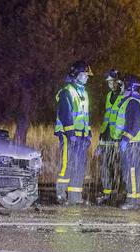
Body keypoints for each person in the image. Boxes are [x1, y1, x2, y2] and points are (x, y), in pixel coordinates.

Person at [54, 60, 93, 205]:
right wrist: (70, 134)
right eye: (84, 74)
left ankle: (75, 197)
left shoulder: (83, 92)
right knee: (67, 164)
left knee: (79, 165)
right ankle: (61, 194)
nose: (87, 77)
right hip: (68, 135)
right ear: (76, 74)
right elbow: (65, 114)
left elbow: (84, 116)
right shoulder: (67, 91)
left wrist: (88, 134)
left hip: (81, 136)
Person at [111, 74, 140, 209]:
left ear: (128, 87)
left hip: (133, 143)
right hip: (135, 142)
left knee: (131, 171)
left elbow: (135, 123)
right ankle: (134, 199)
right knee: (131, 171)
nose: (121, 88)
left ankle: (133, 202)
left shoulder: (132, 101)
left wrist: (126, 139)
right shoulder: (132, 100)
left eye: (123, 85)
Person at [96, 69, 124, 205]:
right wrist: (101, 136)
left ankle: (119, 194)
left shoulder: (124, 95)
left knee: (118, 167)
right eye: (108, 82)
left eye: (111, 81)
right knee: (105, 166)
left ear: (118, 81)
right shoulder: (109, 96)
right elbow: (107, 116)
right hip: (106, 136)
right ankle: (107, 193)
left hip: (118, 138)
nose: (109, 85)